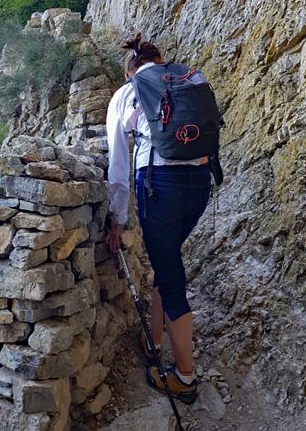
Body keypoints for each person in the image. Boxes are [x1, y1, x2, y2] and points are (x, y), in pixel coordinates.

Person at [105, 32, 212, 404]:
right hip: (199, 183)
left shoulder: (126, 93)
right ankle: (154, 339)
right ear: (161, 59)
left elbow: (117, 166)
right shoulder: (186, 78)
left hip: (159, 187)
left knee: (170, 278)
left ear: (129, 70)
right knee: (166, 264)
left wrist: (117, 219)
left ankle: (184, 378)